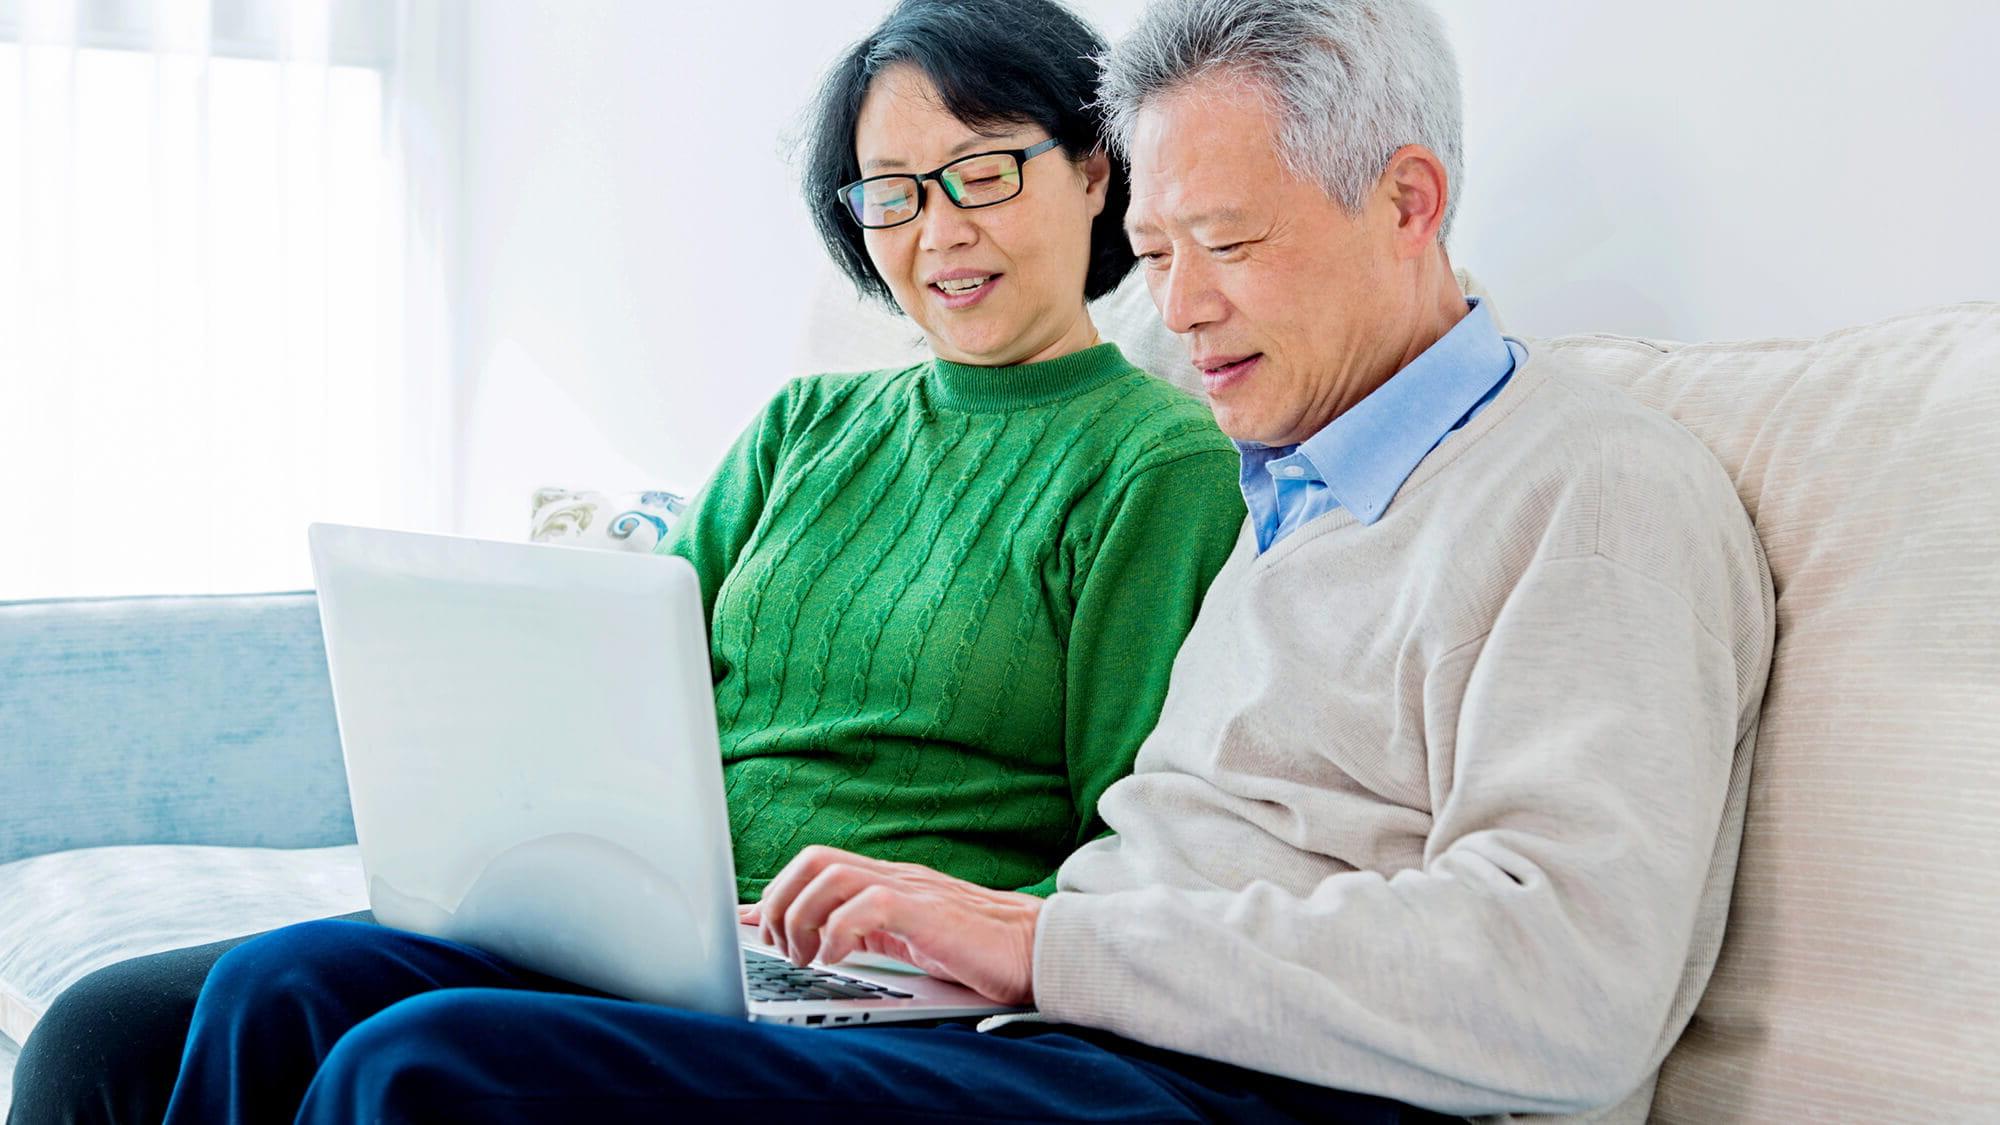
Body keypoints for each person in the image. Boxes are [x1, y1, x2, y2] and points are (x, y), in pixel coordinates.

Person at [136, 0, 1779, 1122]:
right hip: (1072, 1027)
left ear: (1407, 199)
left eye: (1228, 243)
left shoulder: (1590, 489)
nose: (1180, 306)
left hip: (1245, 1083)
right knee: (285, 996)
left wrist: (1034, 940)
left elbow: (1573, 984)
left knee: (431, 1074)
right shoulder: (1303, 490)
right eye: (1158, 252)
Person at [4, 2, 1248, 1122]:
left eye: (981, 173)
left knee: (413, 1057)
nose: (939, 231)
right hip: (661, 925)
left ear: (1095, 172)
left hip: (876, 978)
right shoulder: (803, 426)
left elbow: (1123, 840)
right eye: (892, 193)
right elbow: (624, 683)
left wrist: (921, 922)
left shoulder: (1155, 462)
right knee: (178, 1009)